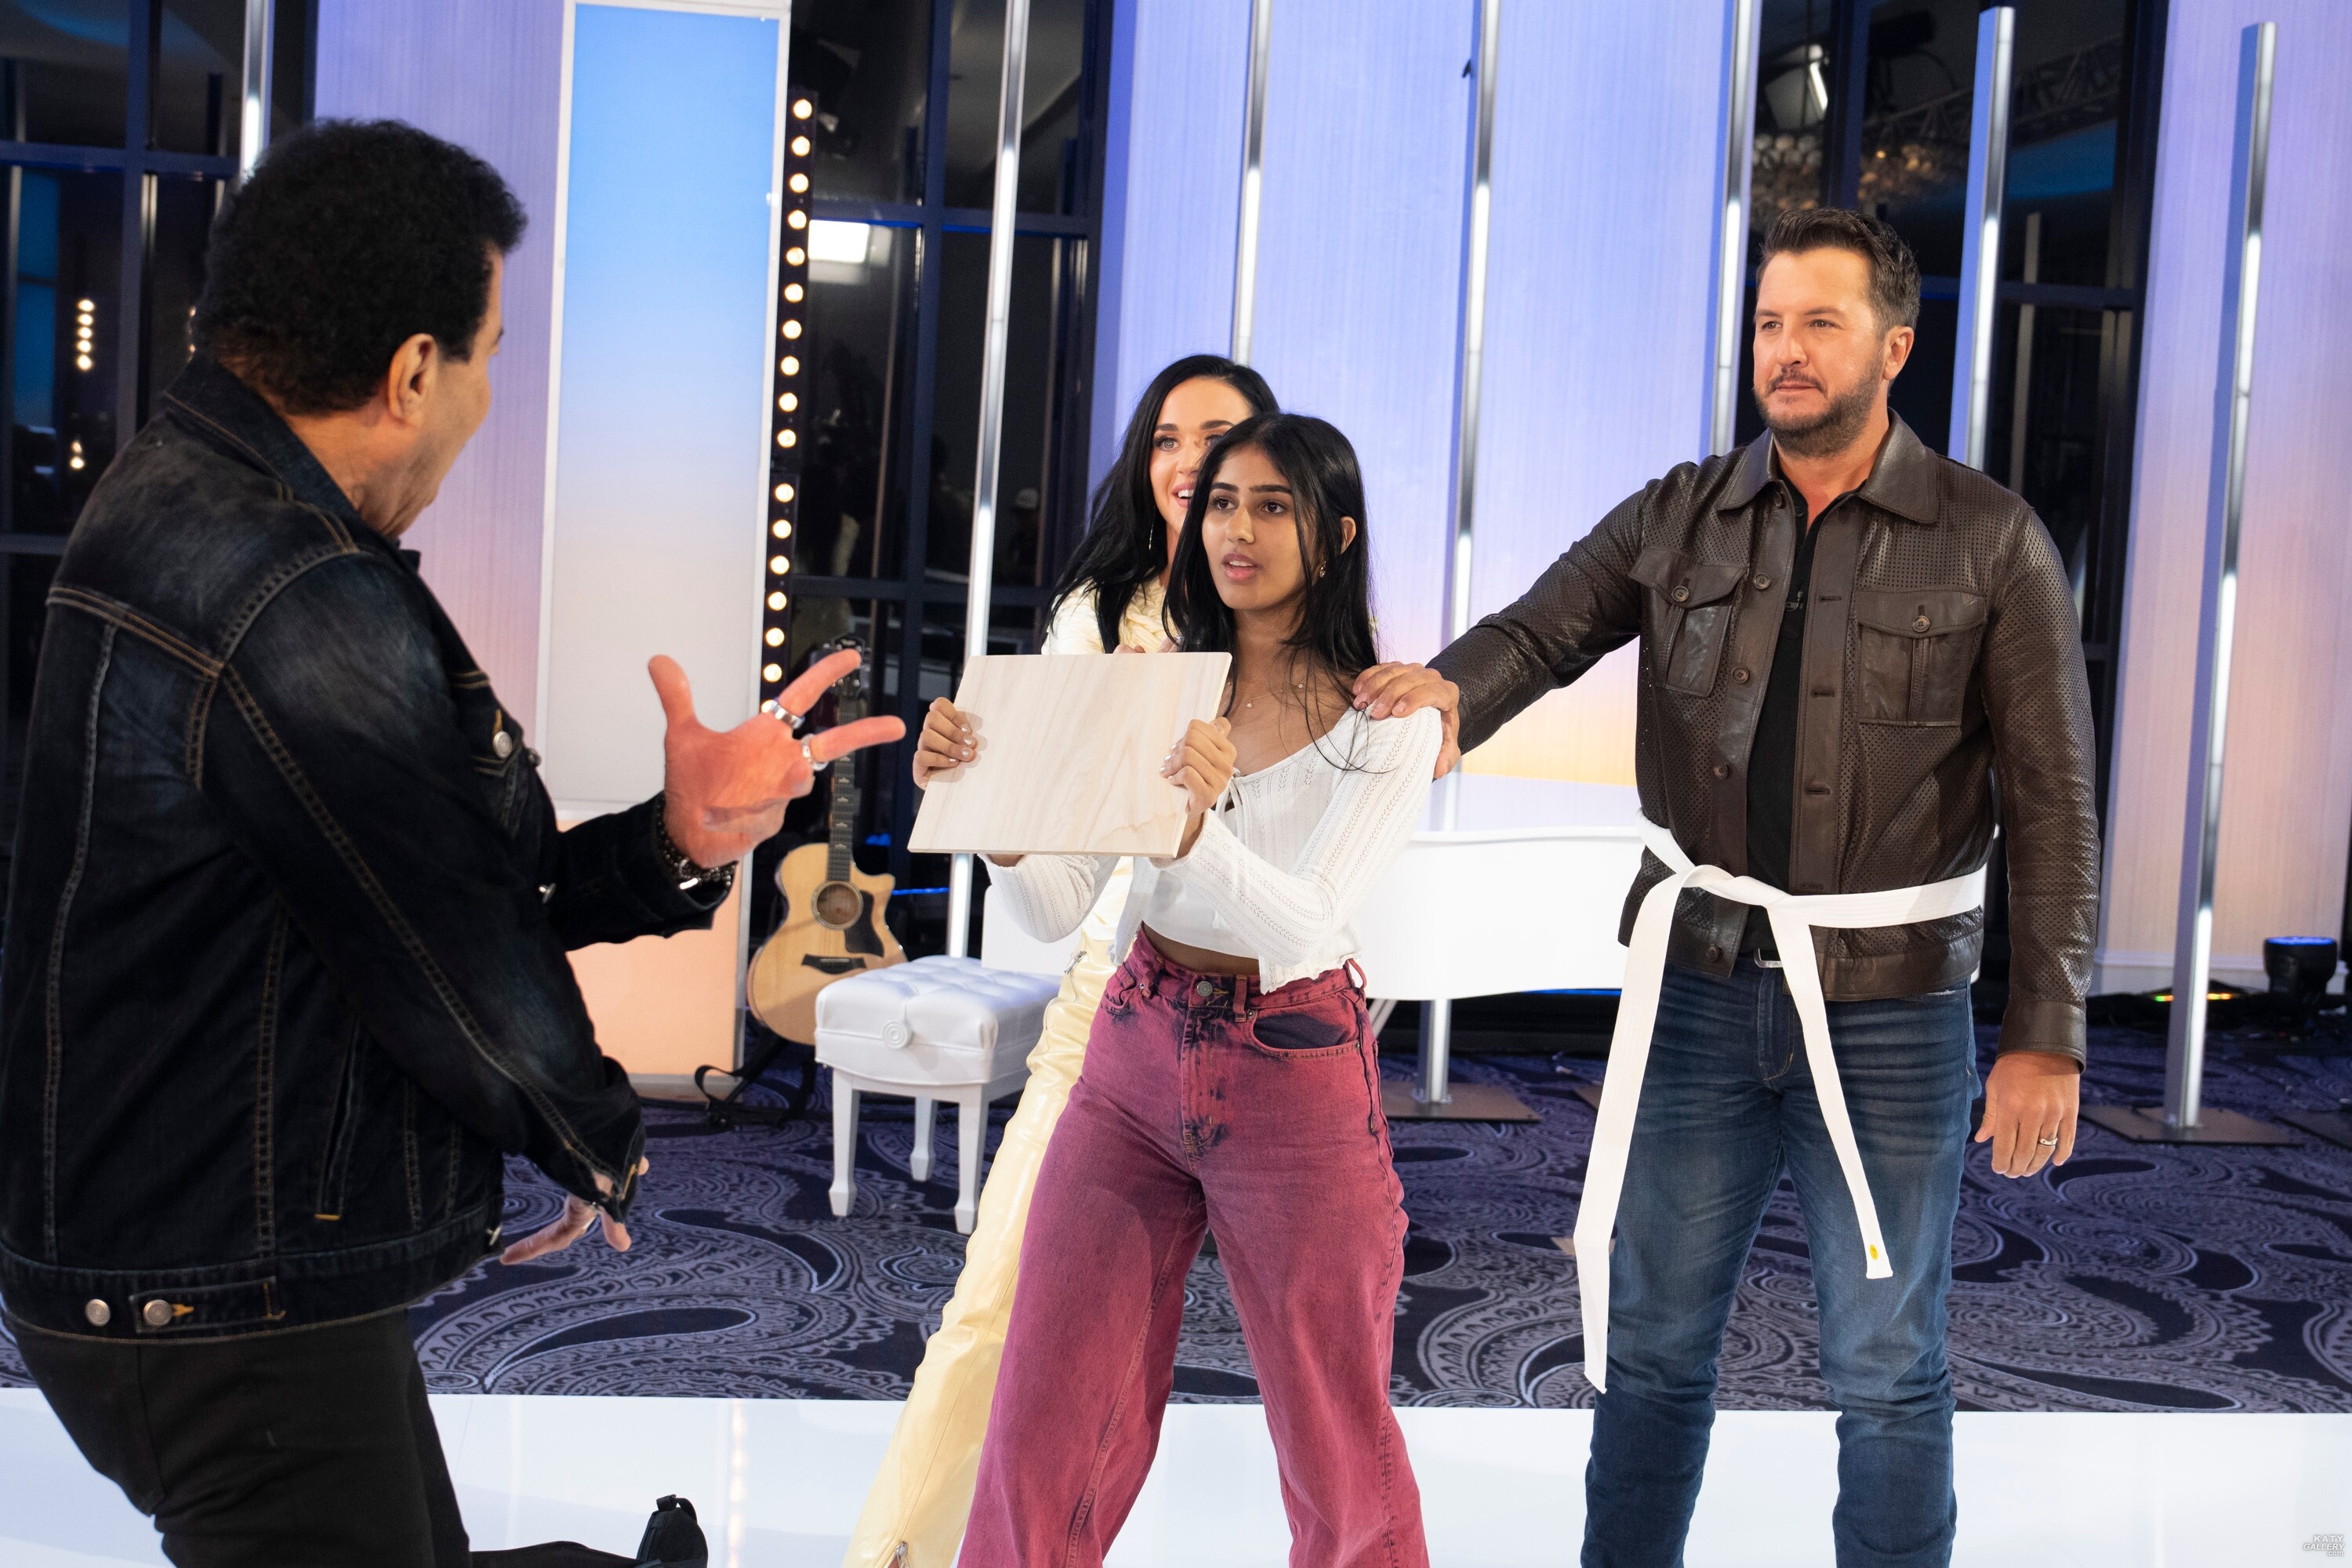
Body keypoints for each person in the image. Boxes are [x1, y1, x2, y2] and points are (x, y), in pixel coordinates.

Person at [0, 121, 902, 1567]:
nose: (485, 397)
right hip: (220, 1284)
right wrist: (589, 1130)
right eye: (489, 354)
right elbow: (455, 943)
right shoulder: (293, 586)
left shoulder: (176, 491)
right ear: (414, 371)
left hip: (186, 1250)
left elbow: (412, 875)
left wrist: (676, 839)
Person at [1353, 208, 2099, 1568]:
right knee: (1649, 1350)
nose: (1786, 350)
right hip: (1694, 992)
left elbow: (2056, 799)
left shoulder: (1991, 542)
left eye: (1820, 322)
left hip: (1889, 1012)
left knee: (1888, 1365)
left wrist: (2045, 1031)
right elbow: (1540, 631)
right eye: (1768, 323)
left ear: (1894, 347)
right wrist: (1447, 694)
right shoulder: (1681, 513)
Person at [938, 413, 1439, 1568]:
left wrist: (1193, 830)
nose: (1237, 530)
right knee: (1044, 1413)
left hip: (1293, 1069)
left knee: (1335, 1444)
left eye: (1272, 505)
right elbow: (1057, 906)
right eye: (1220, 504)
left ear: (1337, 535)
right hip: (1134, 1047)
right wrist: (995, 817)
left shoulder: (1387, 720)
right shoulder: (1159, 686)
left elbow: (1305, 927)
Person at [842, 355, 1276, 1567]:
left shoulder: (1308, 625)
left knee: (1307, 1369)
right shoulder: (1098, 620)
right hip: (1107, 1012)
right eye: (1167, 439)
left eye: (1219, 436)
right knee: (994, 1310)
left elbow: (1320, 880)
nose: (1188, 460)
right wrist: (997, 811)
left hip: (1271, 1027)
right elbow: (1058, 902)